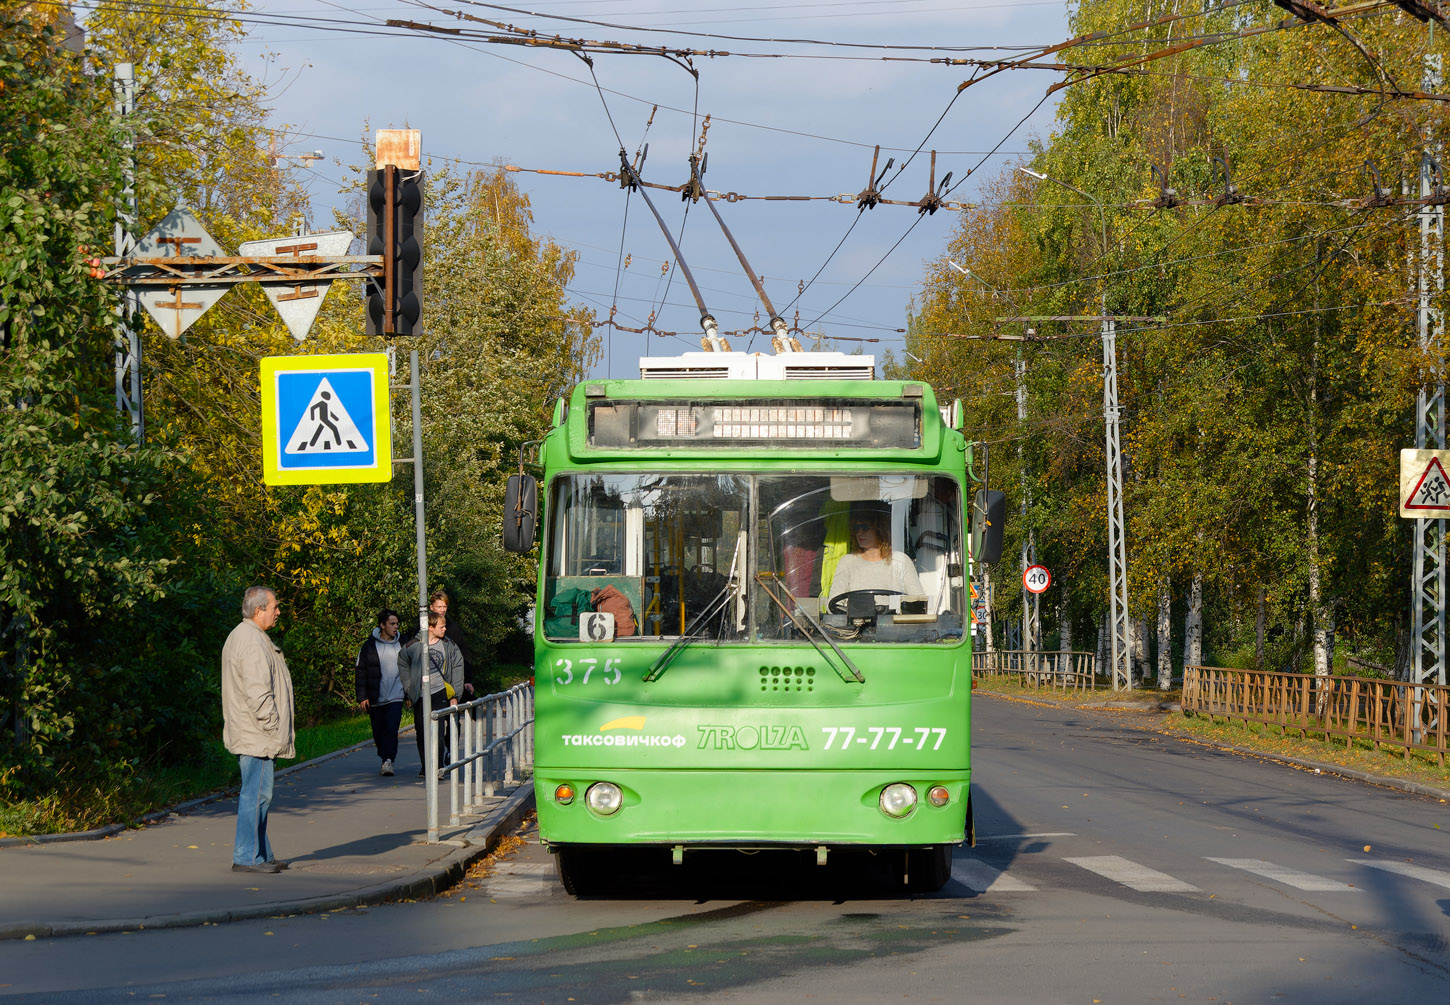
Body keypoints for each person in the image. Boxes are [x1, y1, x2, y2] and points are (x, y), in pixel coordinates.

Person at [220, 585, 294, 875]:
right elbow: (259, 693)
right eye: (274, 606)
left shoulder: (249, 637)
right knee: (256, 795)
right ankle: (247, 857)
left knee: (258, 794)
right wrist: (274, 729)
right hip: (258, 734)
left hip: (253, 732)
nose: (278, 611)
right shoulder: (250, 641)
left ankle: (261, 855)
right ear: (258, 609)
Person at [398, 609, 465, 778]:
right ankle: (425, 766)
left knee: (438, 732)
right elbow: (403, 663)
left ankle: (437, 767)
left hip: (440, 692)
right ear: (430, 627)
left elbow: (458, 667)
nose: (445, 629)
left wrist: (455, 695)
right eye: (441, 627)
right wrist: (408, 688)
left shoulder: (449, 645)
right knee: (421, 732)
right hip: (420, 695)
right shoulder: (413, 645)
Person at [826, 508, 925, 611]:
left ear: (879, 530)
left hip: (894, 625)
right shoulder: (847, 562)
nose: (859, 533)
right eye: (856, 528)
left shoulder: (901, 561)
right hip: (856, 625)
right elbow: (834, 604)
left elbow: (918, 601)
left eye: (865, 528)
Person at [355, 608, 405, 776]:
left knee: (392, 729)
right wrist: (362, 696)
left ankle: (388, 760)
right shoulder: (369, 646)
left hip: (396, 696)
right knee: (378, 731)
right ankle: (384, 757)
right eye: (392, 624)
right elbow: (361, 671)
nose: (396, 627)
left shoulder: (402, 644)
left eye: (397, 624)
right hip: (376, 696)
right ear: (382, 625)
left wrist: (410, 693)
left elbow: (412, 669)